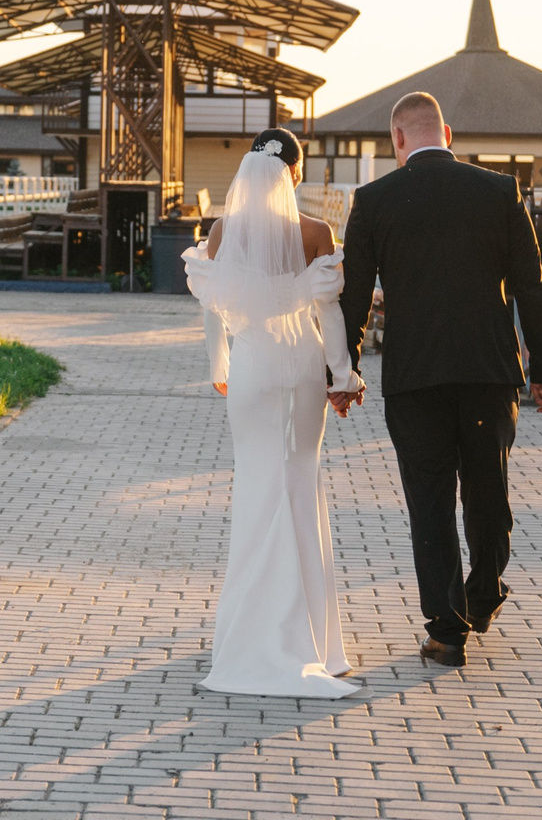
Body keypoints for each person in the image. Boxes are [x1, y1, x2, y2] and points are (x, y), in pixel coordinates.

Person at [338, 91, 542, 668]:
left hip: (414, 378)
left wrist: (345, 370)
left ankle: (446, 630)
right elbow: (531, 285)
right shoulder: (498, 191)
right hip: (488, 372)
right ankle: (483, 594)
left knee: (429, 502)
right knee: (489, 492)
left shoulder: (373, 201)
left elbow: (355, 299)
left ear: (398, 140)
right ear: (449, 133)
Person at [181, 127, 364, 698]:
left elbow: (213, 307)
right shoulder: (315, 232)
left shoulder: (222, 231)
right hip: (303, 365)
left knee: (257, 485)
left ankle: (250, 631)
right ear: (294, 173)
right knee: (300, 483)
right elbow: (329, 315)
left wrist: (220, 363)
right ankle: (314, 640)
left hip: (253, 366)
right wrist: (344, 374)